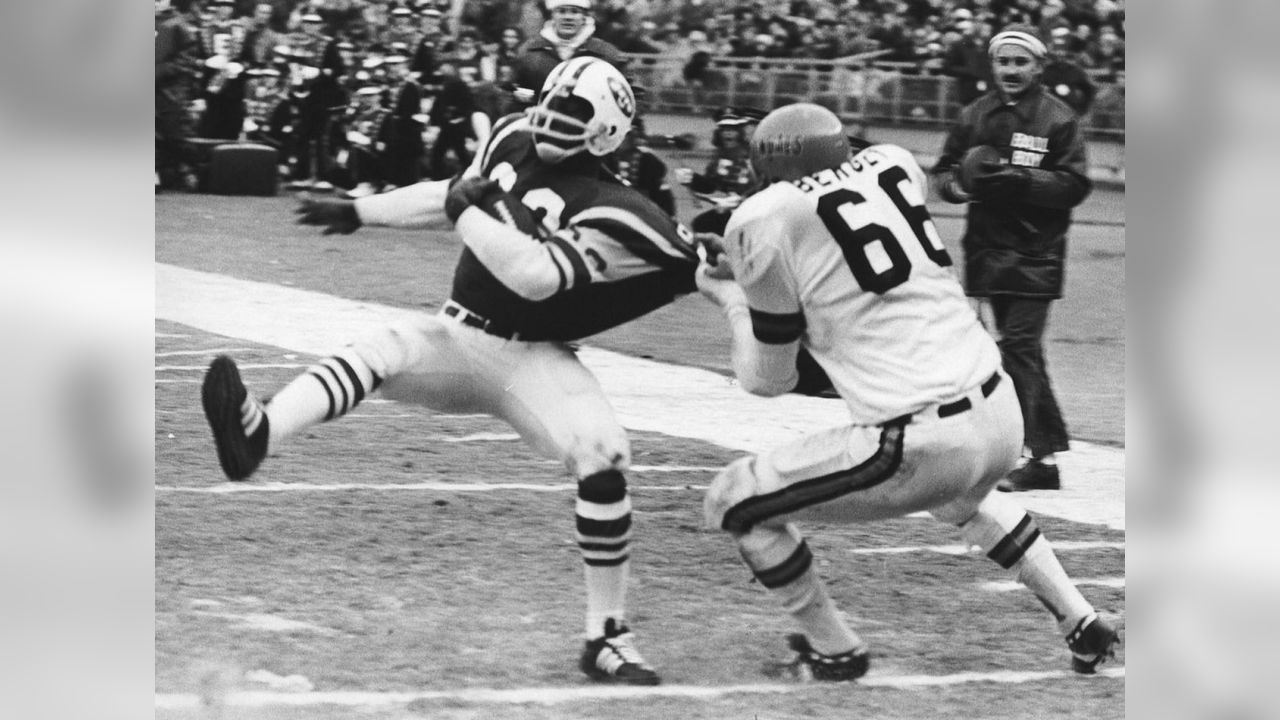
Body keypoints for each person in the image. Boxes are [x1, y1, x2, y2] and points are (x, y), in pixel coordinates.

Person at [203, 57, 699, 686]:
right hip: (459, 333)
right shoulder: (511, 138)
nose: (549, 117)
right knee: (382, 348)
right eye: (549, 101)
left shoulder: (617, 208)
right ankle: (259, 434)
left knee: (603, 459)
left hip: (534, 357)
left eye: (572, 113)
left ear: (606, 132)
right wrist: (361, 212)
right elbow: (448, 196)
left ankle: (606, 633)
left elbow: (558, 274)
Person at [695, 102, 1120, 681]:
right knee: (959, 498)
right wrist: (753, 272)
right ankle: (1081, 619)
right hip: (999, 409)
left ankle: (834, 649)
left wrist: (732, 298)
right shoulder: (892, 163)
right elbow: (842, 255)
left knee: (732, 501)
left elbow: (768, 379)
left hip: (919, 437)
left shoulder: (762, 216)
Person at [931, 24, 1091, 492]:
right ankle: (1044, 455)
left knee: (1018, 348)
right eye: (1004, 61)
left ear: (1039, 66)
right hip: (985, 248)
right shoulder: (973, 115)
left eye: (1021, 62)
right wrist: (961, 185)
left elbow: (1076, 185)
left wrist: (1022, 181)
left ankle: (1029, 454)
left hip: (1036, 252)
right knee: (1021, 353)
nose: (1012, 70)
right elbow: (943, 173)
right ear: (993, 65)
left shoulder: (1058, 119)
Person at [509, 0, 625, 108]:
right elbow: (511, 90)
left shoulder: (605, 53)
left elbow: (632, 93)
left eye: (575, 12)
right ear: (552, 15)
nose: (568, 17)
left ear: (584, 17)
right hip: (539, 125)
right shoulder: (529, 52)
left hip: (590, 126)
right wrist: (525, 102)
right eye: (561, 11)